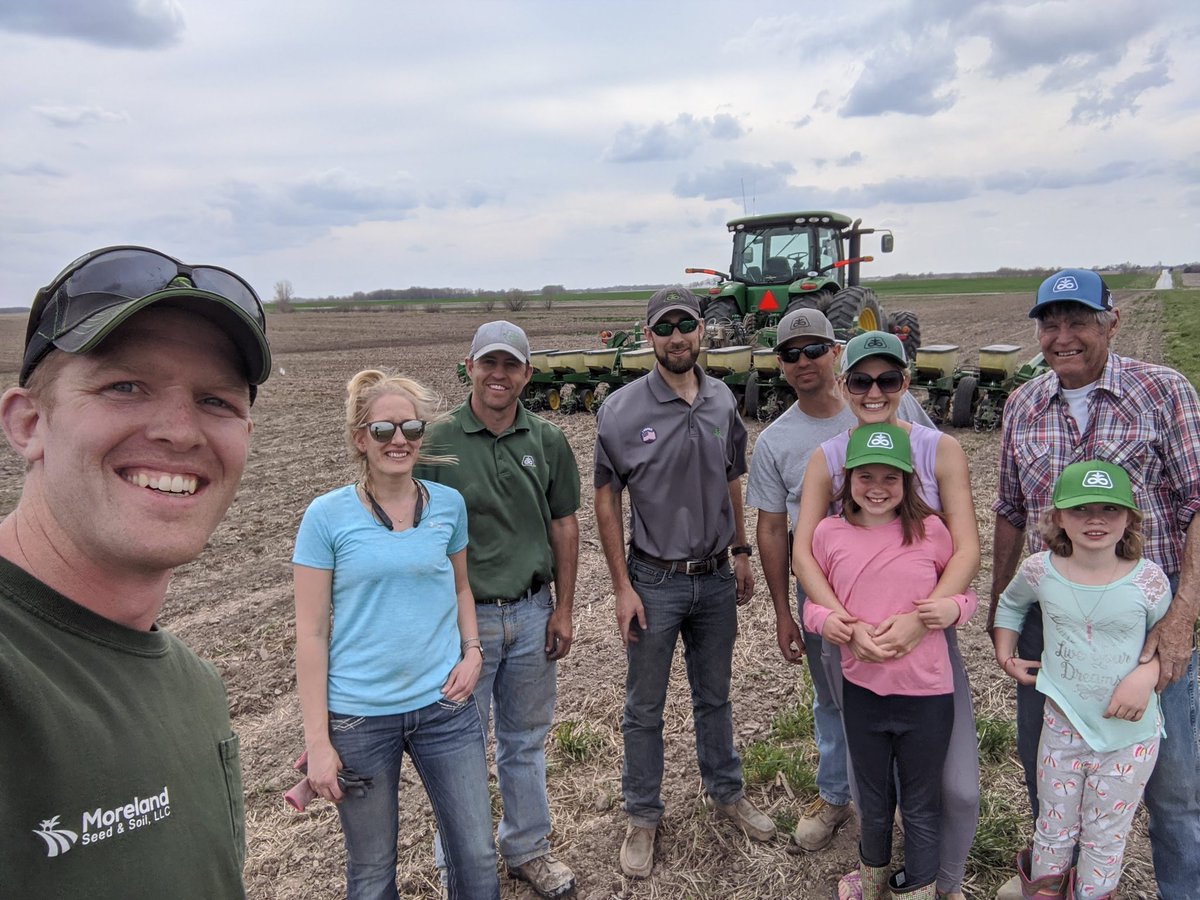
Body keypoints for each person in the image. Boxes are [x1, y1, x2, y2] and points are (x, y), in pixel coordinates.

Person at [0, 245, 273, 897]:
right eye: (125, 386)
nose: (181, 432)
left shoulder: (194, 689)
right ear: (28, 422)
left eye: (216, 401)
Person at [989, 269, 1200, 900]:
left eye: (1078, 320)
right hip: (1052, 628)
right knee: (1050, 778)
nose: (1062, 336)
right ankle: (1059, 883)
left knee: (1176, 794)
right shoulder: (1023, 403)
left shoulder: (1162, 392)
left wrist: (1182, 616)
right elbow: (1008, 509)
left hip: (1146, 631)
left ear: (1112, 322)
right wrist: (1004, 611)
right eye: (1050, 323)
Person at [293, 371, 499, 900]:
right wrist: (319, 742)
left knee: (475, 856)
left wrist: (473, 651)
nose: (399, 439)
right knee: (371, 871)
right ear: (361, 439)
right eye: (383, 429)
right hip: (360, 717)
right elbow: (312, 634)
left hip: (445, 708)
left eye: (410, 427)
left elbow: (460, 590)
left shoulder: (448, 506)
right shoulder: (325, 517)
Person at [594, 286, 775, 880]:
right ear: (649, 336)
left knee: (715, 696)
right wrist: (622, 585)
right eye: (664, 327)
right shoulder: (620, 411)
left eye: (686, 325)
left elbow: (732, 477)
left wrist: (742, 549)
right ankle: (643, 815)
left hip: (717, 577)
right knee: (644, 707)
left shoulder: (723, 399)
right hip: (654, 580)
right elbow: (605, 498)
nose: (677, 337)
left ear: (702, 331)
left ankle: (726, 793)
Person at [792, 330, 981, 899]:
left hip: (924, 638)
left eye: (888, 379)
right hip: (852, 637)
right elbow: (806, 549)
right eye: (861, 380)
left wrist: (925, 618)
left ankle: (938, 879)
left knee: (956, 786)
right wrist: (841, 624)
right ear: (843, 383)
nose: (874, 391)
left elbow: (965, 547)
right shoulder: (827, 458)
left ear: (905, 383)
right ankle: (876, 866)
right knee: (869, 768)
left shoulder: (938, 449)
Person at [746, 308, 933, 854]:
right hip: (828, 592)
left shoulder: (891, 404)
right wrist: (785, 610)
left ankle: (906, 804)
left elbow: (934, 493)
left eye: (814, 349)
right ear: (779, 365)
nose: (804, 361)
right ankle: (835, 795)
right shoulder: (778, 442)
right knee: (832, 697)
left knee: (908, 698)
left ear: (835, 352)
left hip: (904, 589)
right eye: (791, 353)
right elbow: (774, 532)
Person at [415, 321, 580, 899]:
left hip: (534, 612)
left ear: (527, 374)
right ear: (470, 367)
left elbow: (564, 526)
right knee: (455, 748)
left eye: (511, 365)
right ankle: (458, 865)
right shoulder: (434, 443)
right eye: (489, 363)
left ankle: (528, 849)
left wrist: (563, 609)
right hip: (466, 625)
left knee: (525, 740)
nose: (499, 375)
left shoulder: (548, 441)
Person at [994, 460, 1169, 899]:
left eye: (1110, 510)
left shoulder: (1149, 581)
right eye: (1081, 509)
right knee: (1052, 829)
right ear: (1058, 519)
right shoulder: (1041, 570)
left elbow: (1170, 643)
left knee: (1104, 838)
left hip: (1128, 735)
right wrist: (1004, 650)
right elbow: (1011, 605)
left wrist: (1145, 676)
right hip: (1063, 727)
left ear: (1130, 517)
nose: (1095, 520)